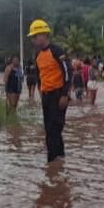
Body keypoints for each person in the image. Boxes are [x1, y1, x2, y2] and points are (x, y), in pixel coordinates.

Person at [28, 19, 72, 163]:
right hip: (46, 96)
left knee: (55, 128)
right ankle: (58, 159)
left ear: (44, 34)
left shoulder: (57, 51)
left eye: (35, 36)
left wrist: (65, 95)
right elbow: (39, 75)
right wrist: (40, 92)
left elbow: (67, 72)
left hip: (58, 94)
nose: (33, 40)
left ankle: (52, 163)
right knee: (49, 129)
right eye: (32, 37)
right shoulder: (38, 56)